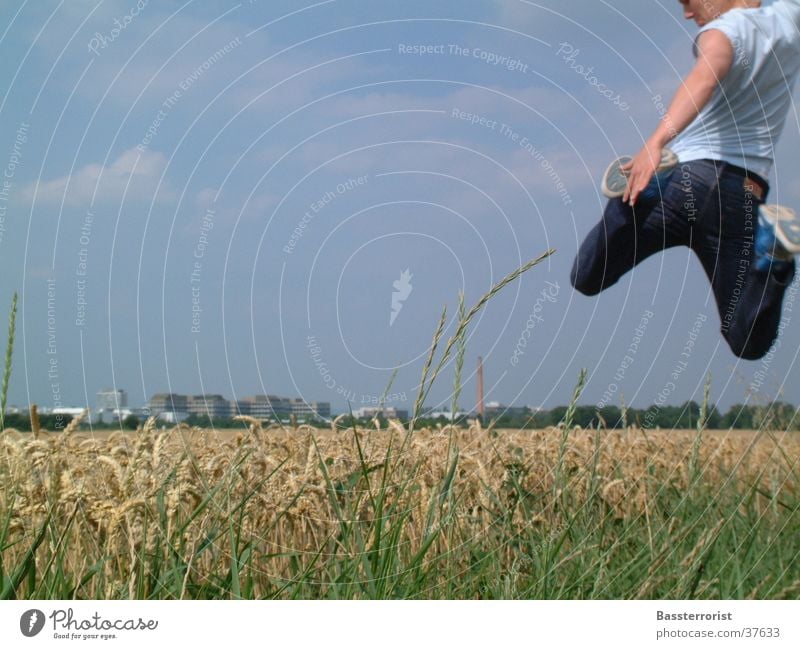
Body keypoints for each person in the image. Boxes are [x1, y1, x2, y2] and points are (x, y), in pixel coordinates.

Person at [571, 0, 800, 360]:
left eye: (689, 2)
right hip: (741, 195)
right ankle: (772, 259)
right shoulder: (789, 19)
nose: (688, 13)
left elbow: (705, 78)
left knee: (587, 276)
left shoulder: (725, 32)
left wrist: (655, 143)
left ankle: (632, 201)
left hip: (681, 183)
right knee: (747, 342)